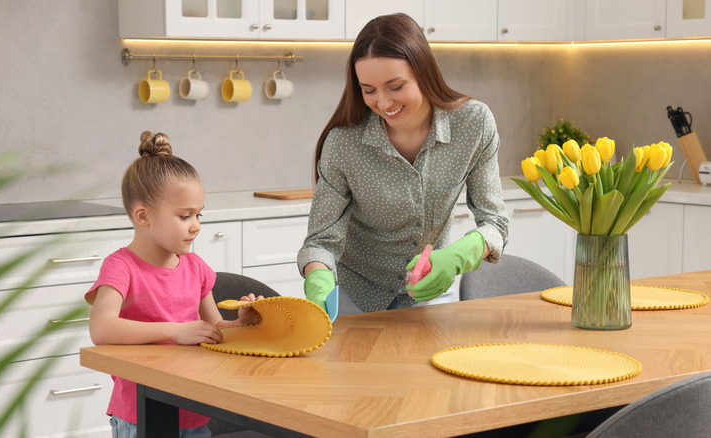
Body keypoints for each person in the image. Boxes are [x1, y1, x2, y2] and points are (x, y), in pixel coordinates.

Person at [297, 13, 508, 316]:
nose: (382, 103)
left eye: (395, 86)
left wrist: (459, 256)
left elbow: (495, 223)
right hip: (355, 296)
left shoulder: (473, 124)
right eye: (368, 90)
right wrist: (318, 282)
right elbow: (320, 242)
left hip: (430, 290)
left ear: (424, 72)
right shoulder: (344, 143)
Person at [85, 131, 262, 438]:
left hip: (193, 411)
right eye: (184, 215)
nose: (196, 225)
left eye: (198, 214)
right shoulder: (121, 267)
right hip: (141, 413)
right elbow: (101, 329)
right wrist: (175, 330)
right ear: (143, 216)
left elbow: (214, 330)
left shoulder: (196, 268)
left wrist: (241, 324)